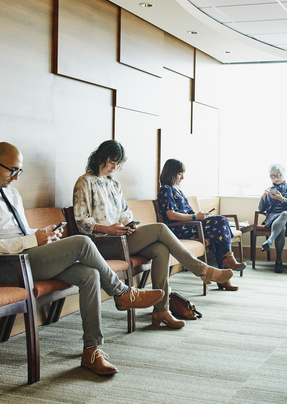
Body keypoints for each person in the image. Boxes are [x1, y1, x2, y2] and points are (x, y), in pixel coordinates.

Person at [0, 142, 164, 375]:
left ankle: (91, 350)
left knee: (89, 274)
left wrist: (43, 237)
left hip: (29, 259)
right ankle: (123, 293)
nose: (16, 177)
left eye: (19, 171)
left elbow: (23, 235)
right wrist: (31, 241)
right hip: (7, 267)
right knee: (82, 242)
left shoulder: (12, 193)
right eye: (12, 170)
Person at [72, 140, 234, 329]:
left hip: (121, 238)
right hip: (101, 243)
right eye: (111, 162)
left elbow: (125, 213)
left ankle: (161, 310)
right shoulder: (85, 182)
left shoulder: (114, 183)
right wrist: (107, 229)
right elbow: (81, 221)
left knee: (160, 248)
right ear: (101, 158)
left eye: (118, 164)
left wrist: (128, 225)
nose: (114, 167)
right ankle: (202, 270)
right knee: (160, 229)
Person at [157, 159, 246, 291]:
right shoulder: (166, 189)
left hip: (191, 225)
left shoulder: (178, 190)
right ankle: (227, 264)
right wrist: (195, 217)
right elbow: (171, 215)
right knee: (221, 221)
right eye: (180, 174)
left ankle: (225, 271)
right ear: (172, 173)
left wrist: (201, 216)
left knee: (220, 228)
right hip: (178, 228)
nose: (182, 177)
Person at [258, 164, 287, 273]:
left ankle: (270, 240)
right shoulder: (268, 190)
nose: (275, 178)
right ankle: (278, 261)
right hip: (274, 217)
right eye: (272, 176)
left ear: (284, 174)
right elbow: (261, 209)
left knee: (284, 214)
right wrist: (262, 198)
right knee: (281, 228)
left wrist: (282, 199)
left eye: (278, 175)